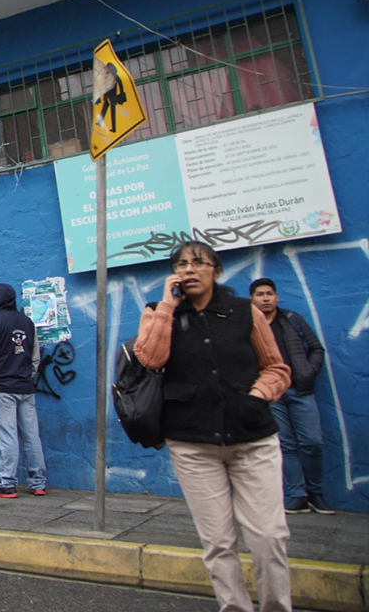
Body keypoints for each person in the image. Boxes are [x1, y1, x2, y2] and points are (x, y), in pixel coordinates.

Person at [136, 242, 293, 612]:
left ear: (217, 271)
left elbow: (276, 368)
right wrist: (168, 308)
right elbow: (150, 358)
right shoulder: (159, 313)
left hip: (253, 439)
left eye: (198, 263)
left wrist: (256, 398)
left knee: (268, 537)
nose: (189, 270)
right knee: (219, 542)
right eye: (180, 264)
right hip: (192, 445)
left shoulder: (244, 312)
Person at [249, 278, 332, 516]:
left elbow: (316, 348)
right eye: (260, 294)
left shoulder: (292, 320)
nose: (265, 298)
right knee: (285, 446)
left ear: (276, 298)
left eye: (269, 294)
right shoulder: (249, 325)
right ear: (252, 299)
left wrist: (307, 371)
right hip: (272, 395)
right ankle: (298, 496)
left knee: (313, 442)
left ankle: (316, 493)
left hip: (300, 390)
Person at [0, 283, 46, 498]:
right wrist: (26, 375)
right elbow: (35, 358)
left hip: (1, 387)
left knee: (7, 437)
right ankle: (38, 483)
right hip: (25, 386)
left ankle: (6, 483)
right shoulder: (28, 323)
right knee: (31, 435)